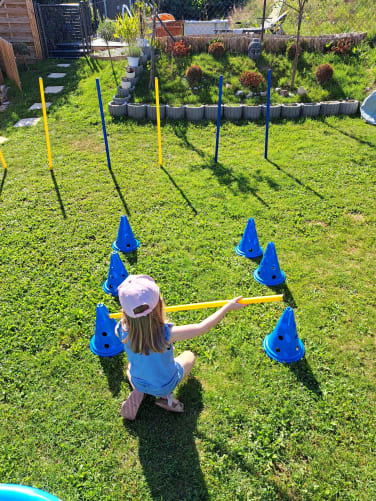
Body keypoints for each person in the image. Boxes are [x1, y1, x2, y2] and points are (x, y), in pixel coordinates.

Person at [115, 274, 247, 420]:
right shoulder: (166, 334)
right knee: (189, 356)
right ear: (159, 303)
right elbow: (201, 327)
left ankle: (140, 391)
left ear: (124, 311)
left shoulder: (121, 329)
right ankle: (167, 398)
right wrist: (227, 307)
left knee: (130, 367)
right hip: (165, 384)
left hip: (138, 380)